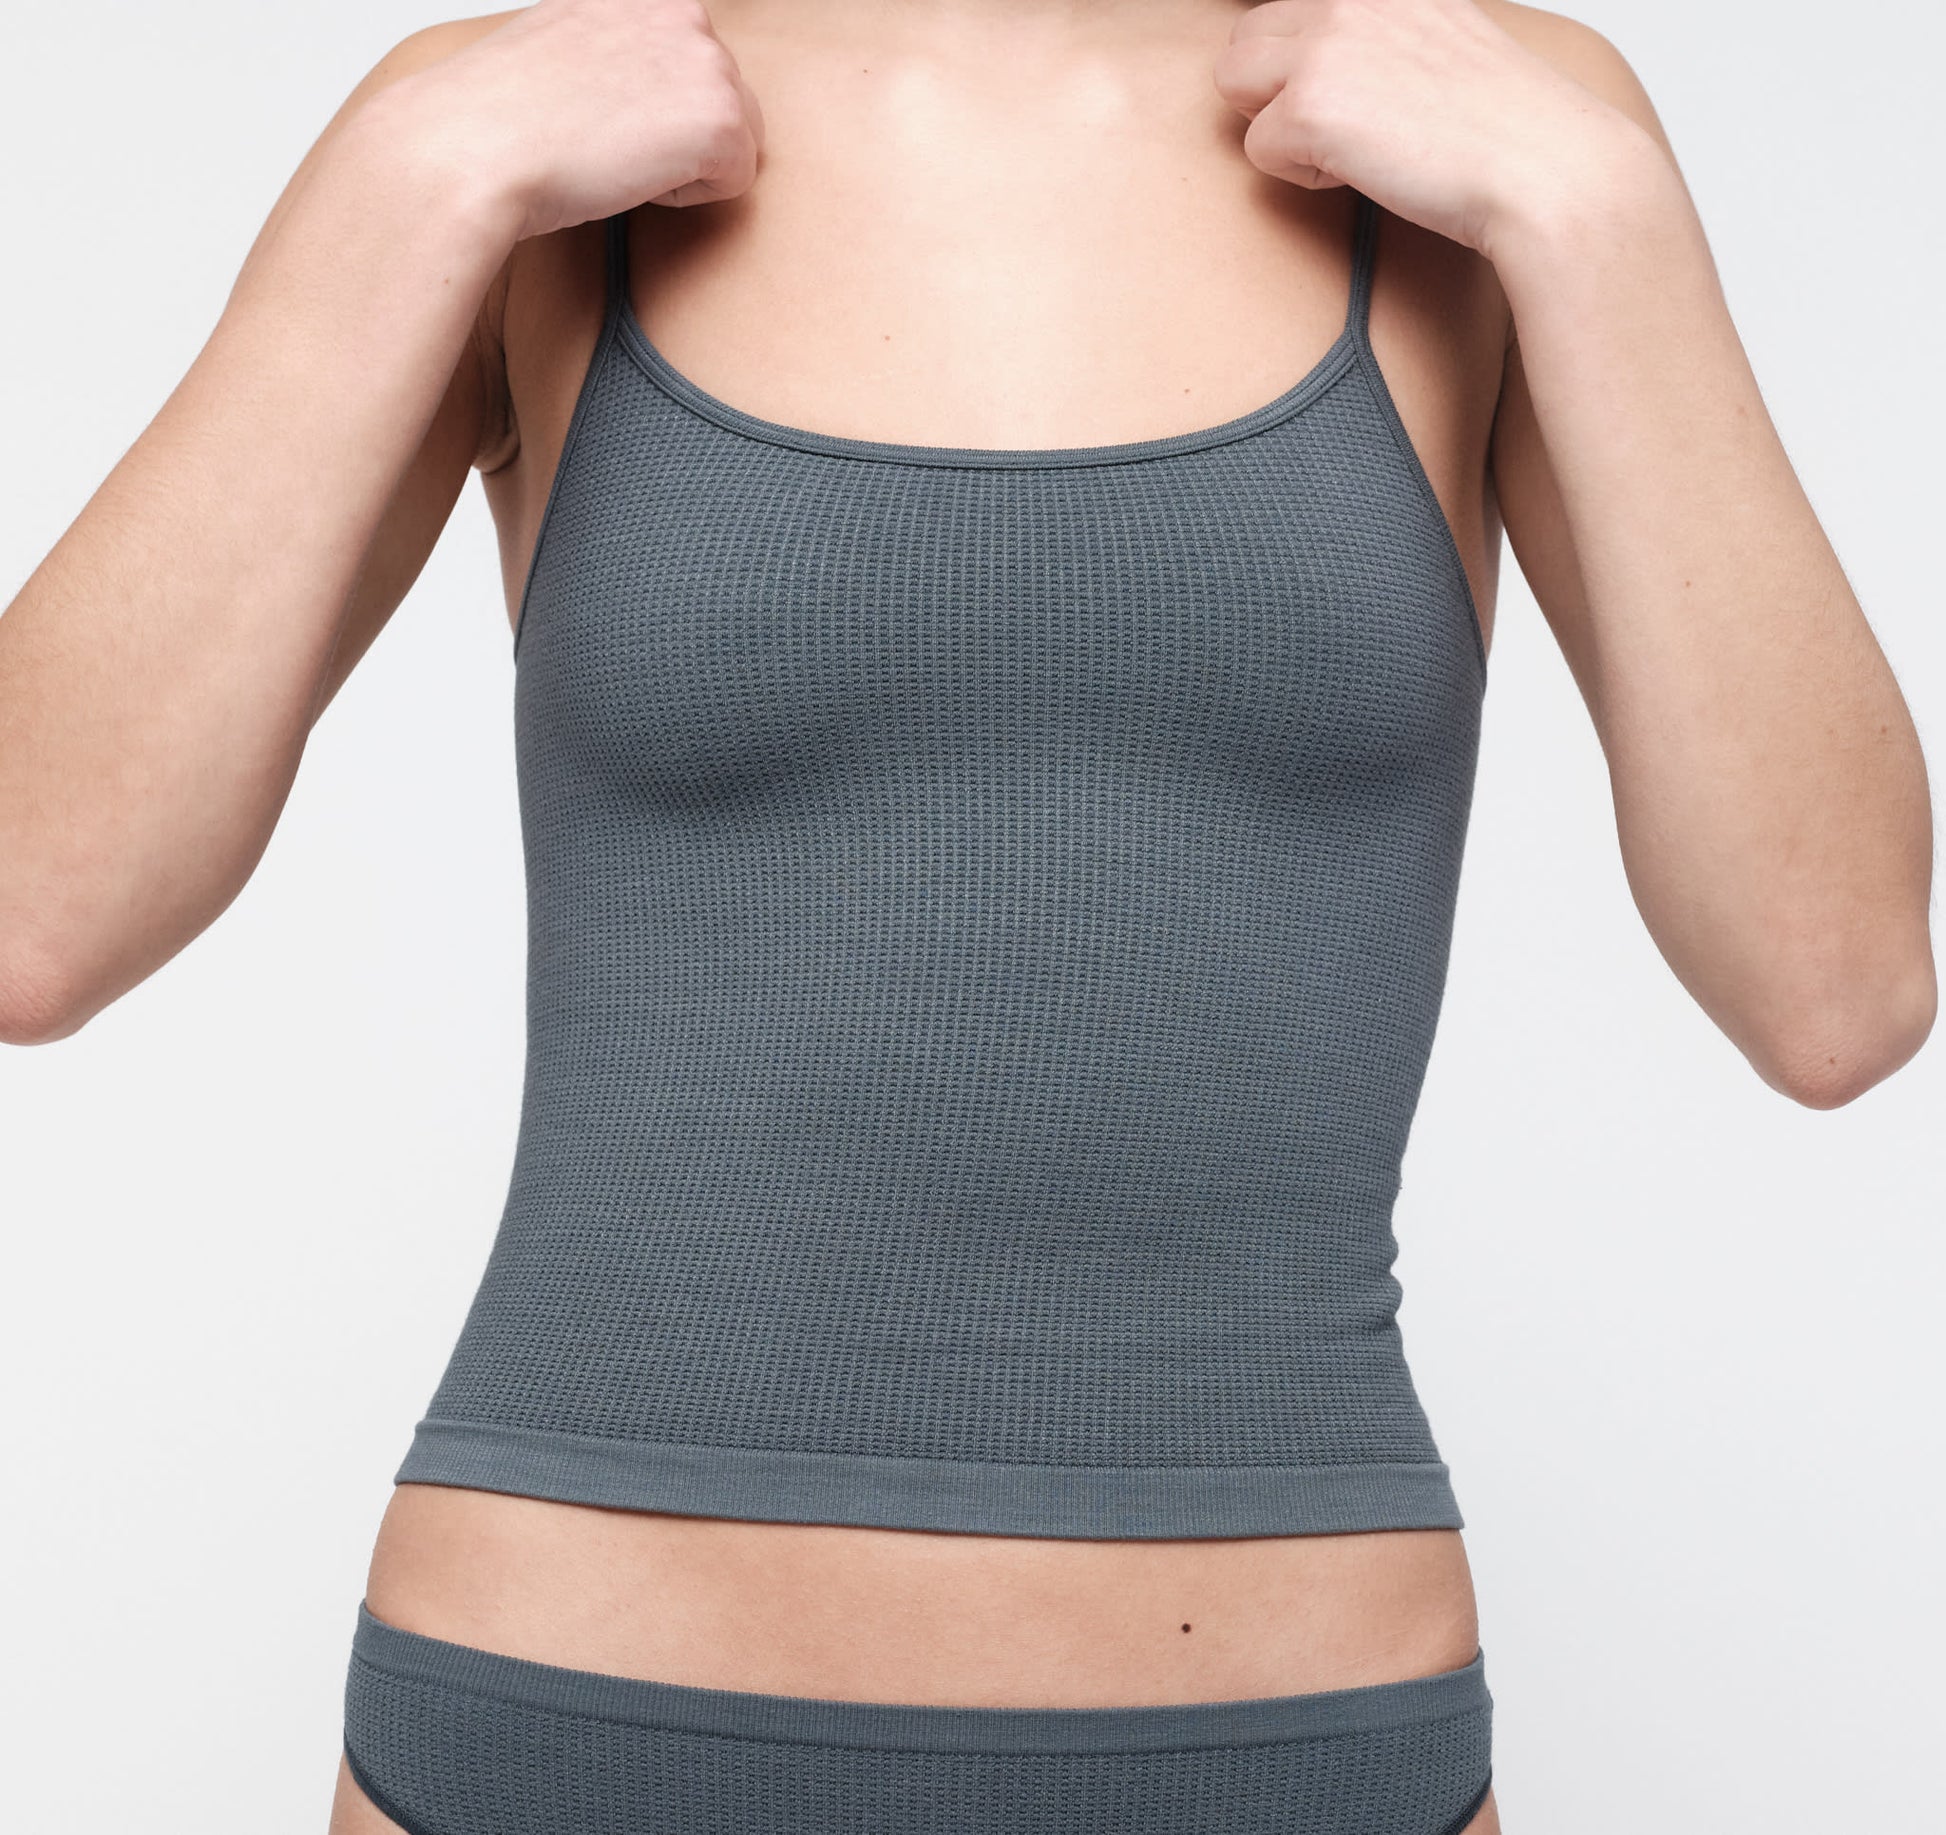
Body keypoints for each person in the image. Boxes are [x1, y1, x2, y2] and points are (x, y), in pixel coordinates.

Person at [0, 1, 1934, 1830]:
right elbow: (35, 910)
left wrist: (1593, 212)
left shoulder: (1495, 128)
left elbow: (1833, 987)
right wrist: (413, 179)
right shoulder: (524, 126)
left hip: (1289, 1750)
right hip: (558, 1731)